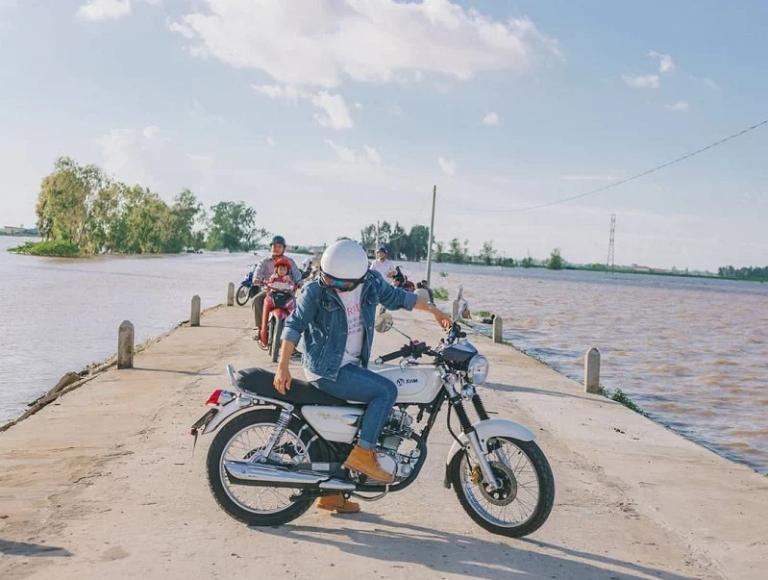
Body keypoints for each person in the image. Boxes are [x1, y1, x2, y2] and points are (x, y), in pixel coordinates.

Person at [273, 240, 452, 514]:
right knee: (385, 392)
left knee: (353, 419)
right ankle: (364, 454)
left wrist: (435, 311)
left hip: (353, 365)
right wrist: (283, 364)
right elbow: (294, 324)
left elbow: (399, 298)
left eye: (340, 283)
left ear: (358, 278)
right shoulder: (315, 290)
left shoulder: (370, 283)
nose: (331, 284)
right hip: (326, 369)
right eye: (327, 277)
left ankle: (332, 495)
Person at [252, 235, 302, 333]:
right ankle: (260, 328)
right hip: (269, 292)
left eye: (279, 246)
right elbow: (257, 272)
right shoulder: (264, 261)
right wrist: (256, 279)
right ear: (271, 247)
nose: (276, 248)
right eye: (274, 246)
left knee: (297, 307)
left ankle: (292, 334)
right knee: (256, 300)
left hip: (287, 293)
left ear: (283, 248)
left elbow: (297, 276)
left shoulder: (290, 262)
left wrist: (300, 283)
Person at [258, 258, 298, 346]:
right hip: (273, 298)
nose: (282, 271)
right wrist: (263, 282)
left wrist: (293, 282)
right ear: (276, 269)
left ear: (287, 271)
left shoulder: (288, 278)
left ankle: (292, 337)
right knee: (265, 302)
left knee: (294, 311)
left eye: (284, 269)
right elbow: (267, 282)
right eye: (280, 269)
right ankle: (263, 332)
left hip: (286, 299)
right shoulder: (273, 277)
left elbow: (293, 284)